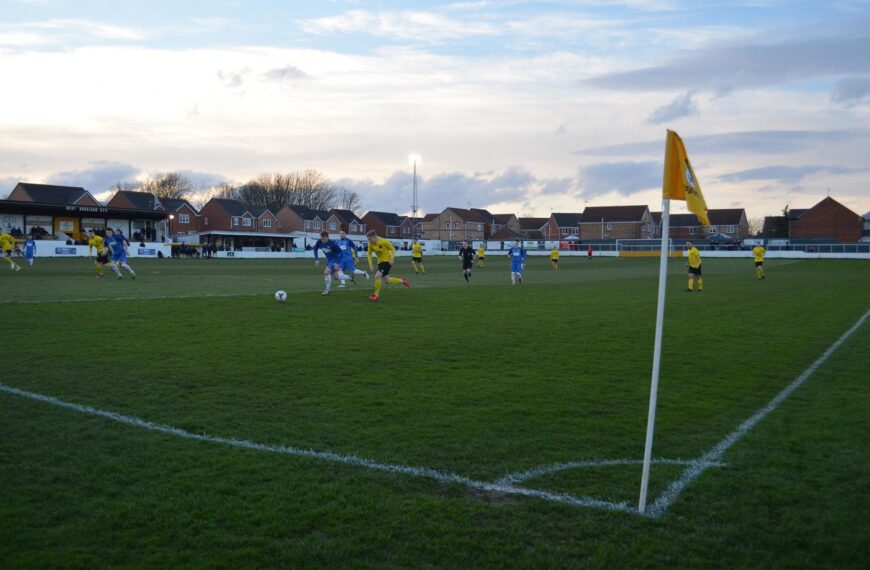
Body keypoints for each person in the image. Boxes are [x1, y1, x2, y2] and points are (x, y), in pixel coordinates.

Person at [365, 230, 410, 302]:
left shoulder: (384, 241)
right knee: (387, 281)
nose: (369, 241)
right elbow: (369, 254)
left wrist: (392, 259)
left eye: (370, 239)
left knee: (377, 275)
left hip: (387, 262)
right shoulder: (370, 244)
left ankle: (376, 295)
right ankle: (402, 280)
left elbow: (393, 249)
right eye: (368, 239)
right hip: (380, 263)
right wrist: (370, 265)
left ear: (374, 237)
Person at [312, 231, 355, 296]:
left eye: (324, 239)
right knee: (336, 277)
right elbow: (315, 249)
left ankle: (326, 290)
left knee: (326, 272)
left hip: (335, 259)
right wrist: (317, 259)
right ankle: (350, 278)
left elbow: (341, 253)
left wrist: (337, 263)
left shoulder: (332, 244)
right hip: (329, 260)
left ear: (327, 237)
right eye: (321, 239)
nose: (322, 240)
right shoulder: (319, 242)